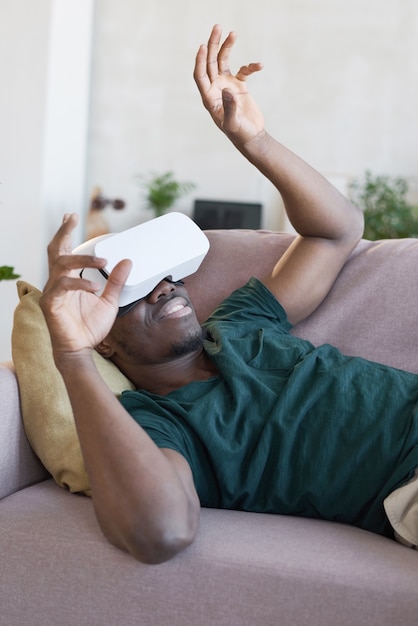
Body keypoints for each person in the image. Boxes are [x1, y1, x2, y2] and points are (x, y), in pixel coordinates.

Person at [40, 25, 418, 564]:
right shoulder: (156, 421)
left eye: (167, 274)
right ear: (103, 340)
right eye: (136, 287)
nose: (167, 286)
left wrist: (254, 141)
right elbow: (159, 532)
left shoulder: (239, 323)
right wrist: (71, 357)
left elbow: (337, 231)